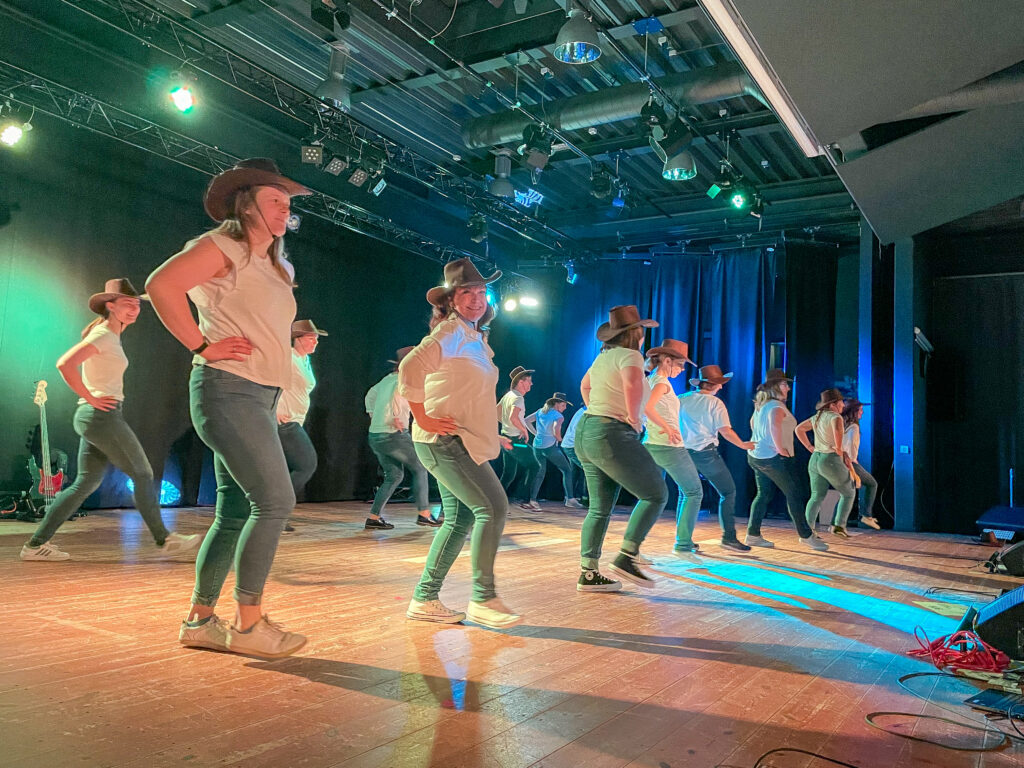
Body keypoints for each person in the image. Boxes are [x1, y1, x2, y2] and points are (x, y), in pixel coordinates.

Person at [147, 158, 310, 658]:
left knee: (236, 512)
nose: (284, 210)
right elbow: (160, 285)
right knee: (275, 501)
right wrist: (201, 345)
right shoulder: (222, 247)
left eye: (288, 203)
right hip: (227, 390)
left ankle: (199, 621)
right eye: (274, 200)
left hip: (259, 396)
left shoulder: (279, 266)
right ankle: (248, 624)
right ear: (246, 204)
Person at [20, 280, 202, 562]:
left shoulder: (110, 336)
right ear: (110, 305)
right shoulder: (104, 334)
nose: (134, 309)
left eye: (137, 305)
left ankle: (34, 545)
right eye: (127, 304)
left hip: (97, 417)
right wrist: (90, 397)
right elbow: (65, 364)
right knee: (142, 474)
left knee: (84, 484)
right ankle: (165, 540)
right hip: (101, 416)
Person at [399, 257, 521, 629]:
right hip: (443, 439)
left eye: (481, 292)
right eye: (467, 292)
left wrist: (492, 430)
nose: (476, 299)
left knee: (460, 518)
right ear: (451, 300)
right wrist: (422, 417)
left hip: (461, 438)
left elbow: (469, 394)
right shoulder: (450, 332)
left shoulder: (474, 338)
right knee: (493, 508)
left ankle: (424, 598)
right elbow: (409, 368)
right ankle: (483, 598)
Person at [575, 305, 669, 592]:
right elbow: (631, 384)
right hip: (611, 432)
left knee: (599, 508)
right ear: (635, 333)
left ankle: (589, 573)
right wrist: (632, 418)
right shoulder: (631, 355)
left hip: (587, 430)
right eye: (641, 331)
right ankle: (627, 556)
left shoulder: (603, 357)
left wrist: (596, 409)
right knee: (656, 494)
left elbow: (584, 386)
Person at [745, 370, 829, 551]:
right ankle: (806, 535)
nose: (788, 388)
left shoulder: (762, 405)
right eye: (784, 384)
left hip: (757, 455)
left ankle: (753, 534)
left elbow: (753, 424)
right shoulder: (776, 406)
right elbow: (774, 426)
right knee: (794, 494)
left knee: (764, 494)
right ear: (776, 387)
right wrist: (780, 448)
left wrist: (760, 440)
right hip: (772, 457)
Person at [678, 365, 755, 553]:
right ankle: (729, 537)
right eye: (719, 383)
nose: (721, 387)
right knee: (728, 491)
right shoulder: (714, 403)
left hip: (681, 452)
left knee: (685, 495)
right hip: (705, 453)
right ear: (712, 384)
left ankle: (683, 540)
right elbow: (725, 431)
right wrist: (743, 445)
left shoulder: (681, 399)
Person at [641, 339, 704, 563]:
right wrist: (667, 428)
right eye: (680, 365)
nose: (682, 370)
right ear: (667, 361)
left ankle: (632, 548)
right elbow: (647, 408)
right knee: (693, 492)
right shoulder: (662, 383)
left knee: (652, 497)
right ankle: (683, 545)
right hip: (667, 446)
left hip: (651, 444)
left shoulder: (651, 380)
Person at [364, 345, 441, 529]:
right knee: (420, 467)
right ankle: (424, 514)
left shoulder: (387, 379)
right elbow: (395, 396)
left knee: (394, 475)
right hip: (392, 435)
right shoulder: (404, 378)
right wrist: (394, 417)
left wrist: (374, 415)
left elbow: (370, 395)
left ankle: (373, 518)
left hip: (376, 435)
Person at [276, 319, 326, 532]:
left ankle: (273, 514)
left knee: (285, 468)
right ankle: (275, 513)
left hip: (296, 419)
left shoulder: (304, 360)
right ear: (297, 339)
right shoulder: (287, 358)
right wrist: (276, 409)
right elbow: (273, 381)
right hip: (285, 421)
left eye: (316, 338)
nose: (316, 342)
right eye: (311, 338)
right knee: (306, 464)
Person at [796, 388, 856, 538]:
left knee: (816, 496)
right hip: (830, 459)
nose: (843, 405)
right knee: (849, 492)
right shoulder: (836, 417)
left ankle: (807, 530)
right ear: (833, 404)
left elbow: (799, 429)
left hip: (815, 459)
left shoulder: (817, 416)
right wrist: (839, 448)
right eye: (841, 402)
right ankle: (839, 525)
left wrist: (809, 447)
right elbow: (837, 432)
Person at [526, 393, 584, 509]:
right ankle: (570, 499)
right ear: (556, 404)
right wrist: (560, 439)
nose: (565, 408)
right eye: (563, 405)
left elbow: (526, 420)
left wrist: (536, 433)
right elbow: (555, 430)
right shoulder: (558, 416)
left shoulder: (540, 411)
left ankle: (532, 500)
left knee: (540, 473)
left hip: (537, 446)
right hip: (550, 447)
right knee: (567, 470)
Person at [497, 366, 541, 510]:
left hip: (506, 437)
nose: (531, 384)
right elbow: (513, 417)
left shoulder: (508, 396)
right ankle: (525, 500)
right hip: (515, 441)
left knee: (509, 473)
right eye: (529, 381)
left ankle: (497, 503)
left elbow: (497, 413)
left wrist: (508, 426)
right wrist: (523, 430)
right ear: (521, 382)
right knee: (534, 466)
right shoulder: (518, 398)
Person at [840, 399, 881, 530]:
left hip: (842, 460)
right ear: (854, 411)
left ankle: (836, 523)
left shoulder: (843, 424)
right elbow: (849, 446)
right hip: (849, 461)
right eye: (860, 410)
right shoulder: (854, 427)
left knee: (847, 492)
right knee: (872, 484)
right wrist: (852, 462)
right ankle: (866, 515)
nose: (862, 412)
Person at [560, 405, 587, 503]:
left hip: (570, 445)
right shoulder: (586, 412)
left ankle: (571, 497)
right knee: (588, 469)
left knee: (575, 471)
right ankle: (584, 498)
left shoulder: (583, 410)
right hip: (572, 446)